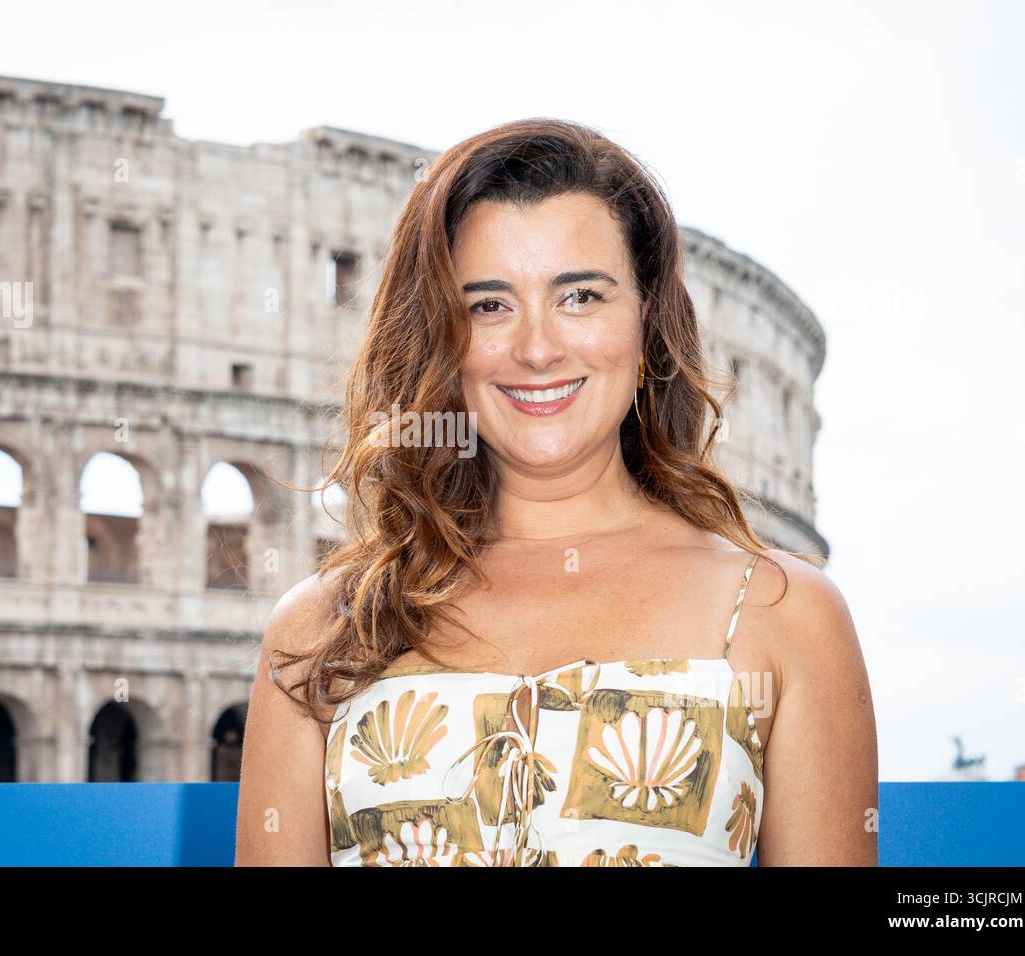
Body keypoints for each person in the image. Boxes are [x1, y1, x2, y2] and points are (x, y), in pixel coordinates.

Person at [235, 117, 877, 867]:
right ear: (442, 341)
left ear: (648, 326)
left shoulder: (783, 614)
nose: (537, 348)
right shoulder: (321, 631)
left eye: (579, 296)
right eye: (489, 305)